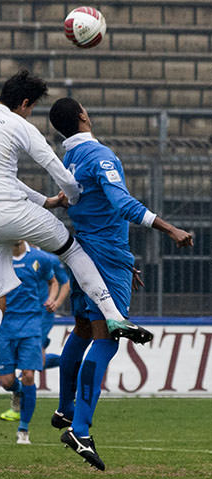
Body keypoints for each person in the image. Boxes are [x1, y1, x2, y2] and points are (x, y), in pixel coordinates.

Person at [0, 70, 150, 387]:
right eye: (30, 108)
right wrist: (70, 196)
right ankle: (113, 314)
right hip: (9, 209)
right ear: (25, 103)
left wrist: (45, 201)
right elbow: (56, 167)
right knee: (72, 250)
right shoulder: (18, 124)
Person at [49, 97, 194, 470]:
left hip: (80, 253)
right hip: (106, 254)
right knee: (106, 339)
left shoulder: (69, 159)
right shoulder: (101, 157)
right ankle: (79, 429)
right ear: (83, 116)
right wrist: (170, 228)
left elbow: (79, 202)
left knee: (81, 330)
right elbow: (123, 204)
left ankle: (66, 410)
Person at [0, 240, 57, 444]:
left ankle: (23, 430)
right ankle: (18, 392)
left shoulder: (40, 258)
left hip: (31, 324)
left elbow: (53, 281)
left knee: (29, 375)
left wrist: (52, 299)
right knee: (7, 382)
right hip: (4, 326)